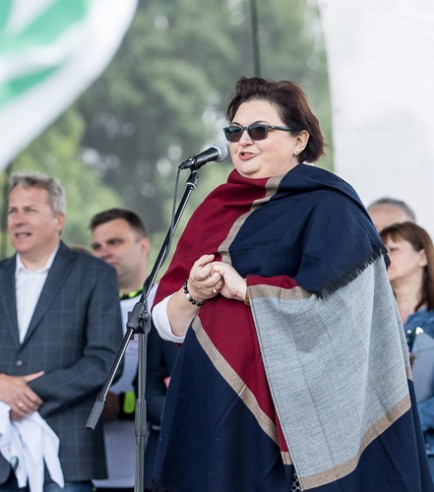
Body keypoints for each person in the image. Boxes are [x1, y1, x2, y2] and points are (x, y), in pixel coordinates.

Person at [150, 76, 433, 491]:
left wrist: (247, 290)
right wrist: (194, 291)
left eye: (259, 130)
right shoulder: (214, 209)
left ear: (300, 140)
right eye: (235, 131)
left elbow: (346, 314)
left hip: (302, 412)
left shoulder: (332, 205)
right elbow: (165, 323)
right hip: (214, 399)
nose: (244, 141)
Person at [0, 171, 122, 492]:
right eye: (13, 210)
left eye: (30, 210)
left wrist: (30, 392)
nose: (18, 219)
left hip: (65, 453)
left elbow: (107, 361)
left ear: (58, 220)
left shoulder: (95, 275)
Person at [89, 207, 155, 491]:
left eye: (114, 242)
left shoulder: (166, 305)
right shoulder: (84, 307)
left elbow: (178, 388)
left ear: (143, 246)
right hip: (85, 472)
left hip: (147, 472)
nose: (103, 252)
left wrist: (121, 406)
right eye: (96, 246)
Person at [379, 221, 434, 476]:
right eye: (381, 249)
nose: (385, 255)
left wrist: (405, 421)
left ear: (422, 257)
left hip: (427, 453)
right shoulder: (371, 318)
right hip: (380, 453)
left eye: (394, 248)